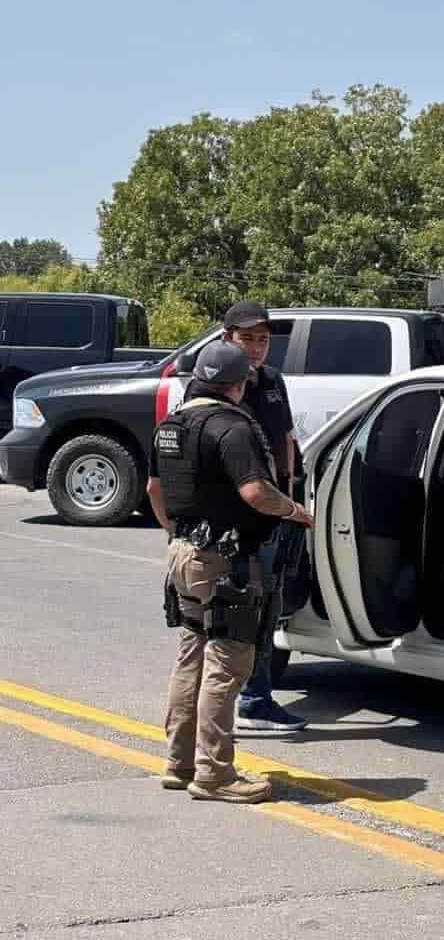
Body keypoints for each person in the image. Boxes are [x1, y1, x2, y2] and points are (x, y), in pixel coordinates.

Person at [148, 340, 312, 803]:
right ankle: (215, 773)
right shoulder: (231, 427)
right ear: (238, 385)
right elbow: (257, 493)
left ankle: (179, 764)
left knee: (190, 659)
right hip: (227, 561)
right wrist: (296, 511)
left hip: (184, 553)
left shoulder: (171, 425)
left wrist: (179, 533)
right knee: (226, 665)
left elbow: (153, 488)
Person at [184, 301, 306, 733]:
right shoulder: (210, 385)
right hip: (229, 526)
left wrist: (290, 505)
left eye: (262, 339)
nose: (256, 348)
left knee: (266, 610)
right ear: (226, 339)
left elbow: (286, 442)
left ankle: (254, 698)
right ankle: (241, 703)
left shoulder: (273, 382)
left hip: (271, 517)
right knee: (229, 618)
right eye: (247, 338)